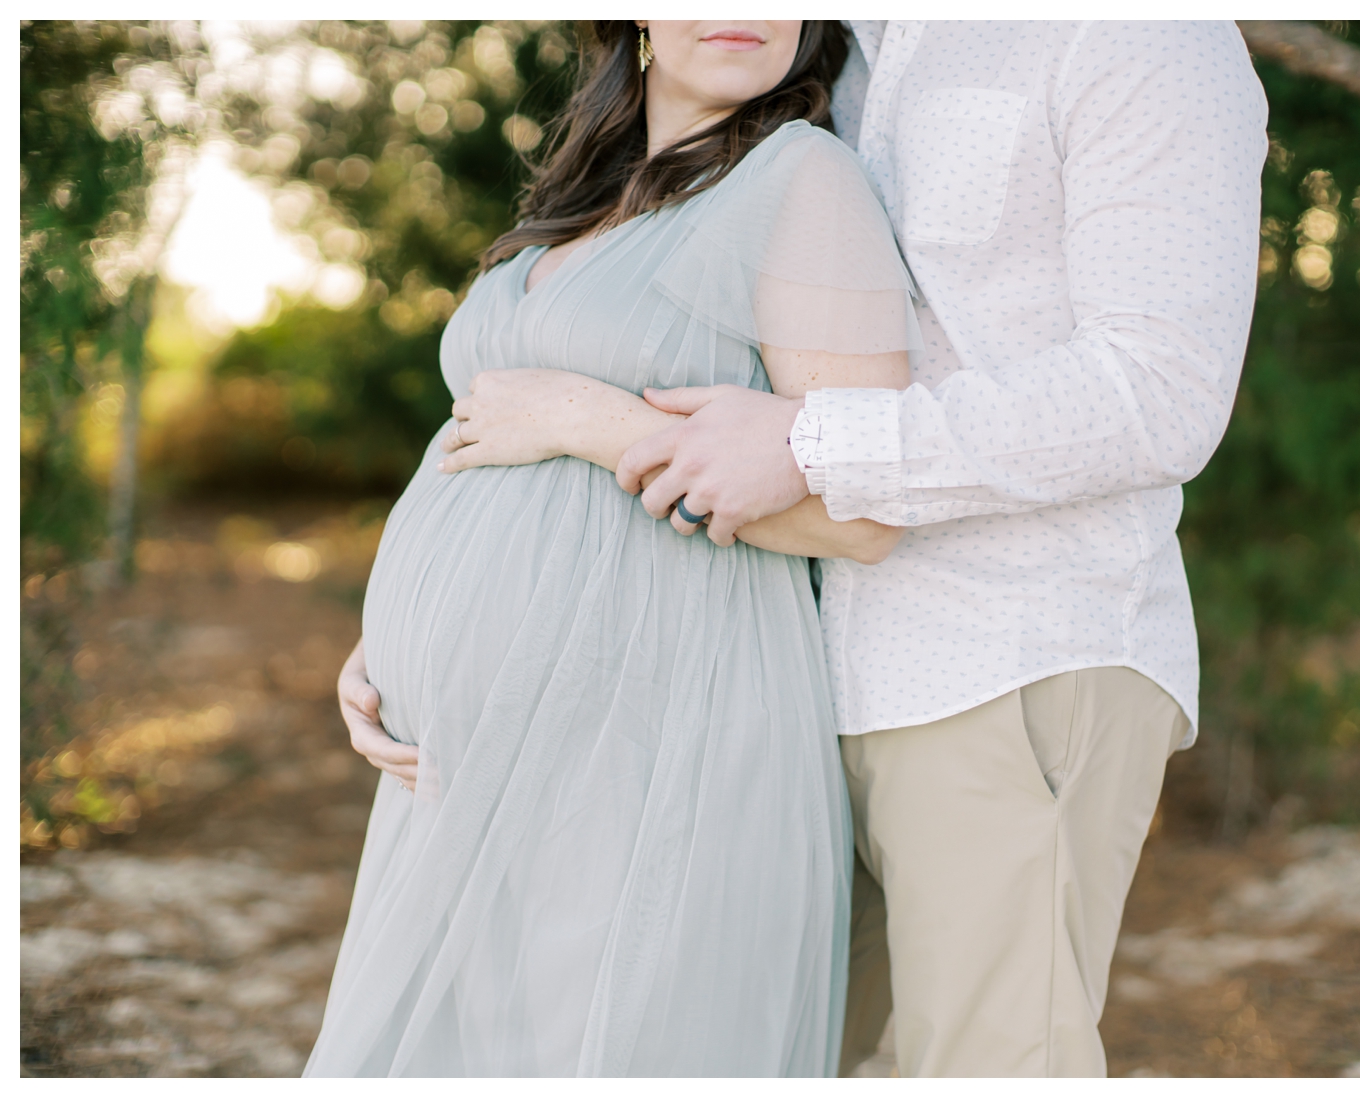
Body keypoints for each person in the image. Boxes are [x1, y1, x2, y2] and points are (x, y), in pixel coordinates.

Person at [407, 20, 1270, 1078]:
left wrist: (821, 444)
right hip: (773, 684)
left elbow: (1158, 394)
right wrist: (409, 628)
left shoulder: (1134, 34)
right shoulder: (819, 51)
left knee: (985, 1064)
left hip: (999, 656)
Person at [308, 20, 923, 1078]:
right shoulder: (583, 197)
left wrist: (588, 420)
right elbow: (481, 427)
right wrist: (389, 640)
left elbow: (861, 512)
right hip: (473, 757)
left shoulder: (803, 180)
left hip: (652, 726)